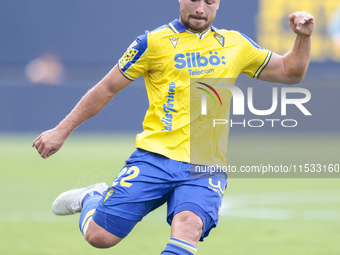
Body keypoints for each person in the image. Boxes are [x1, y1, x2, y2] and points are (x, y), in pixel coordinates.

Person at [32, 0, 315, 254]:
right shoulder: (152, 42)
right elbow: (106, 88)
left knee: (188, 228)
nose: (201, 9)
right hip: (155, 157)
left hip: (205, 164)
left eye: (210, 1)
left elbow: (291, 72)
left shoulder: (236, 44)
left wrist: (303, 38)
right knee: (100, 237)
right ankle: (93, 197)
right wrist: (62, 130)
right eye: (194, 0)